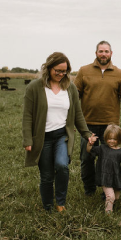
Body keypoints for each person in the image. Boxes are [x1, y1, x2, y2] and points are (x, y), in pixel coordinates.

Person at [22, 51, 92, 212]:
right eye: (58, 71)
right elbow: (27, 116)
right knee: (46, 176)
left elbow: (78, 114)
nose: (61, 74)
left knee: (62, 166)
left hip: (62, 136)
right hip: (42, 138)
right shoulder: (35, 87)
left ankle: (60, 203)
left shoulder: (70, 88)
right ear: (49, 68)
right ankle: (47, 206)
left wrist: (86, 134)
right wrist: (27, 140)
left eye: (64, 71)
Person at [74, 41, 121, 196]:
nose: (103, 54)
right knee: (87, 158)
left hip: (110, 126)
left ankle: (107, 190)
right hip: (87, 125)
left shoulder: (119, 73)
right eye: (101, 51)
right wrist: (73, 119)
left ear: (111, 53)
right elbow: (74, 96)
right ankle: (89, 190)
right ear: (96, 53)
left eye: (106, 51)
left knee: (110, 161)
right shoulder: (84, 71)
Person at [86, 124, 121, 213]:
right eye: (109, 138)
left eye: (114, 139)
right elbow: (89, 150)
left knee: (116, 197)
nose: (111, 141)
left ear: (119, 139)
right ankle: (108, 213)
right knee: (110, 196)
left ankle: (110, 203)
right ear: (105, 137)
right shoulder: (102, 148)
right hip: (104, 176)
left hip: (115, 177)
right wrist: (90, 143)